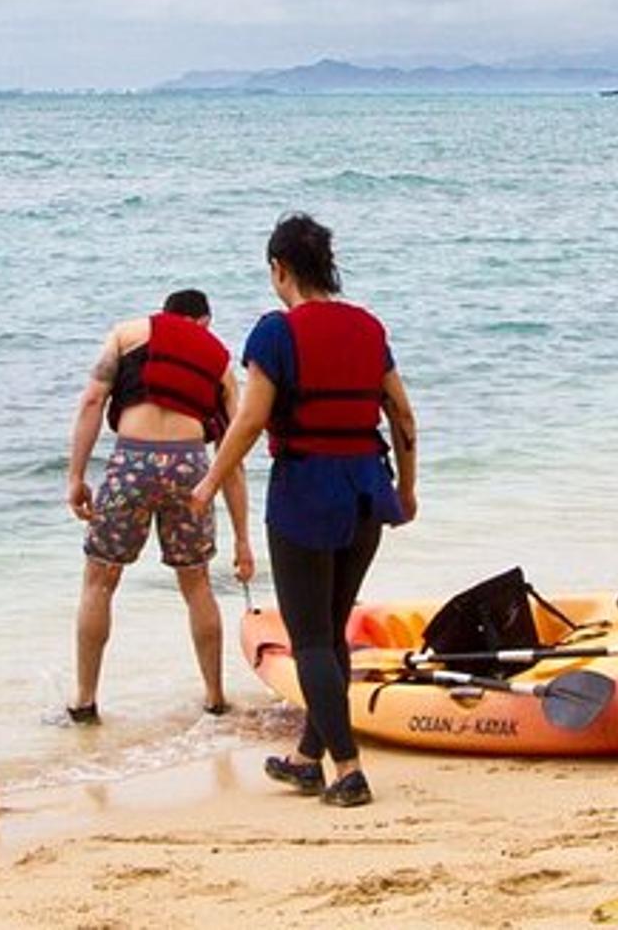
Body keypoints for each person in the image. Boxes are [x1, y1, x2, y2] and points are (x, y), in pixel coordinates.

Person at [193, 215, 418, 808]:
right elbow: (403, 417)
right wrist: (410, 490)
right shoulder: (368, 327)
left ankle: (348, 770)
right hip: (369, 488)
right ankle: (306, 760)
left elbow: (248, 422)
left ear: (279, 270)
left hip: (305, 492)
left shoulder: (274, 334)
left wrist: (209, 483)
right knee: (332, 630)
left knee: (311, 640)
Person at [65, 288, 253, 722]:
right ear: (203, 322)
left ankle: (84, 700)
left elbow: (92, 401)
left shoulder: (125, 335)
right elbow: (233, 457)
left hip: (132, 460)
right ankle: (214, 697)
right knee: (196, 583)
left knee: (99, 581)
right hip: (191, 466)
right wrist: (243, 541)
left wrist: (76, 477)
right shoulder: (219, 360)